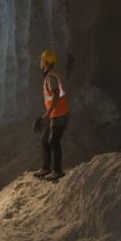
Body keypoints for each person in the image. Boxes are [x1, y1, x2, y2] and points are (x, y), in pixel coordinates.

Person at [33, 49, 71, 180]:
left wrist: (47, 115)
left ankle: (58, 171)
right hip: (55, 113)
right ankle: (46, 168)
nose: (40, 62)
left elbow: (55, 95)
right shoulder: (50, 75)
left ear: (46, 62)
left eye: (41, 60)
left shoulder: (51, 77)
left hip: (60, 114)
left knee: (53, 141)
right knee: (45, 140)